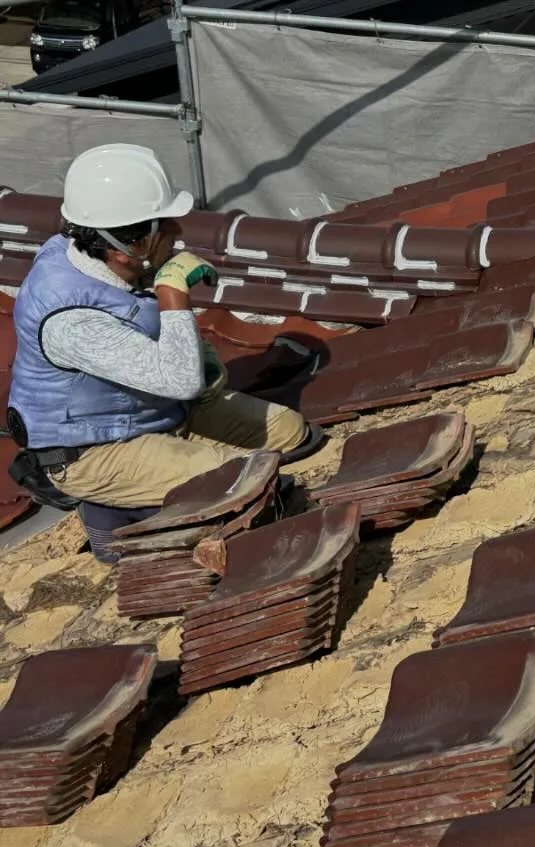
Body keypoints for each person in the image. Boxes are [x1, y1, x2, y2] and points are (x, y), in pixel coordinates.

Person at [5, 144, 320, 558]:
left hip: (152, 410)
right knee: (246, 483)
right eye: (164, 226)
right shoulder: (71, 318)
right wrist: (173, 295)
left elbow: (161, 357)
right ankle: (111, 512)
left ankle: (154, 482)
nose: (175, 232)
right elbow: (180, 380)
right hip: (93, 450)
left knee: (291, 433)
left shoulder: (94, 253)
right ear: (125, 246)